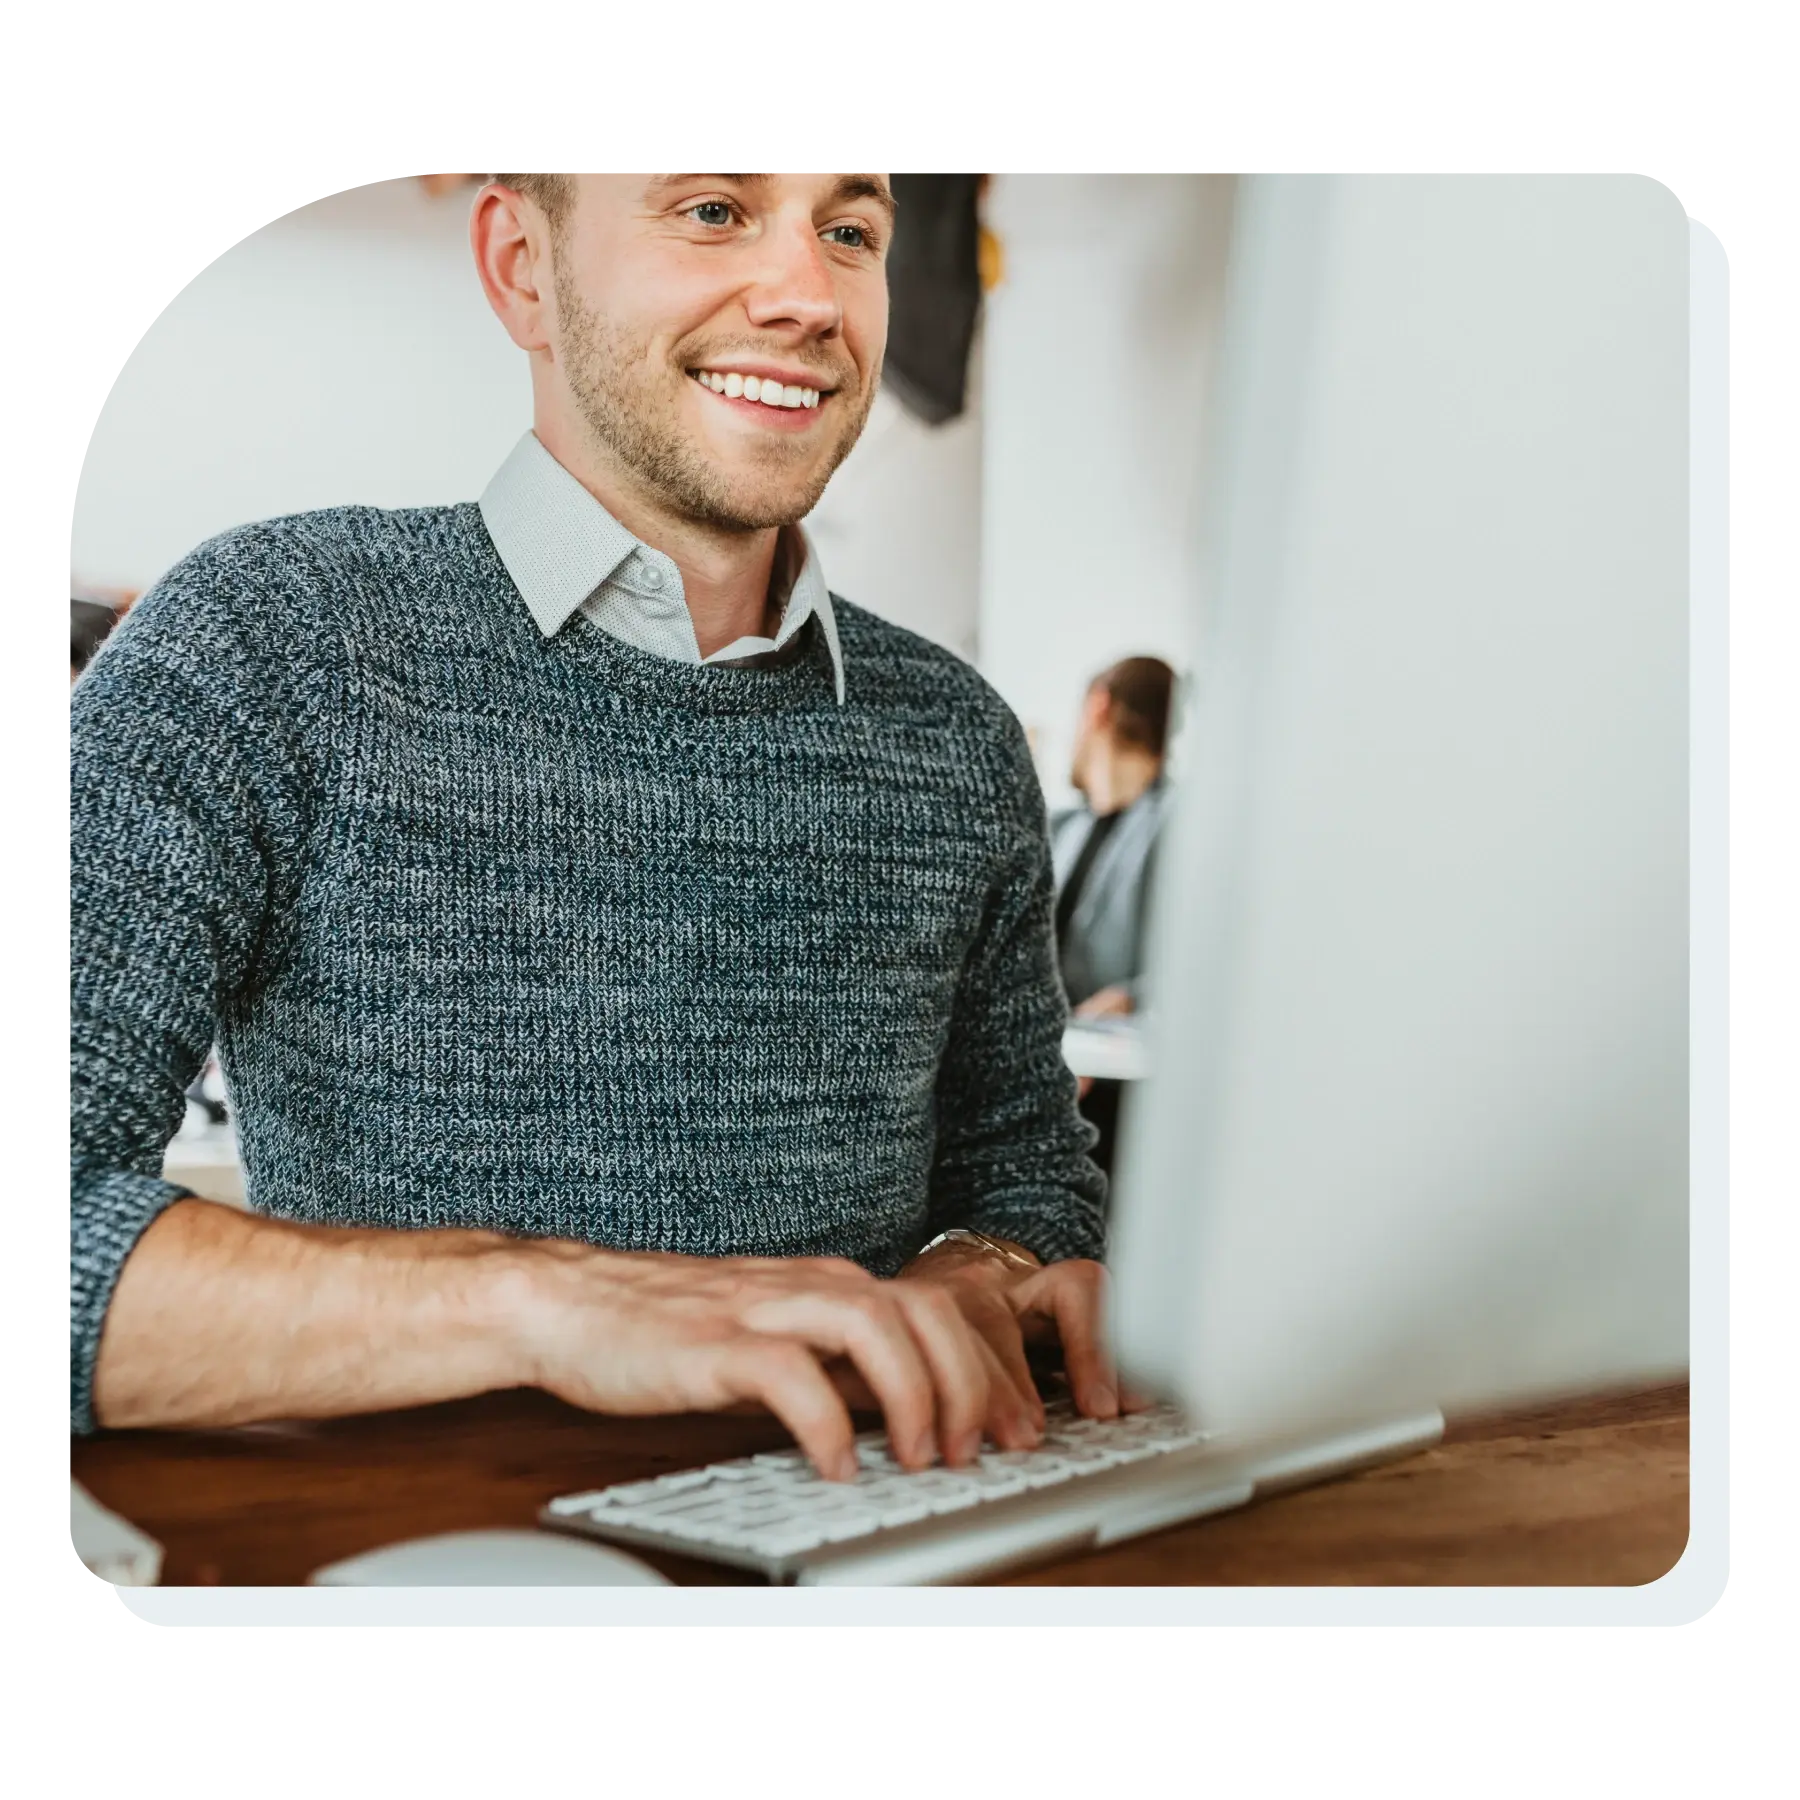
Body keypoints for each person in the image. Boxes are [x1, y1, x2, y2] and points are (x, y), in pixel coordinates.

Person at [67, 170, 1131, 1486]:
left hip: (886, 1534)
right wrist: (551, 1303)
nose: (809, 296)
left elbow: (1025, 1183)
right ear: (522, 266)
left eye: (849, 232)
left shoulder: (958, 735)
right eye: (711, 210)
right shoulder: (263, 645)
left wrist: (982, 1274)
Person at [1049, 657, 1177, 1182]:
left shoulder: (1180, 822)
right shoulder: (1061, 828)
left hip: (1126, 1111)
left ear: (1098, 706)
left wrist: (1132, 997)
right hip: (1045, 1092)